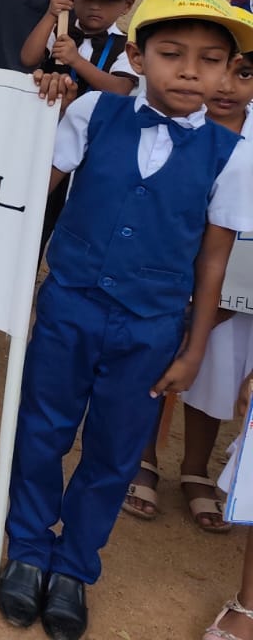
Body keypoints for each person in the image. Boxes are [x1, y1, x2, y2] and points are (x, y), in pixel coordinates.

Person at [0, 0, 253, 640]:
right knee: (42, 428)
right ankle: (29, 548)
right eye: (171, 54)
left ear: (228, 71)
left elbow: (214, 261)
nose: (190, 71)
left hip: (151, 328)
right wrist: (41, 101)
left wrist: (194, 349)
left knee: (114, 450)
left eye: (210, 60)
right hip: (69, 305)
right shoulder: (93, 111)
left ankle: (75, 566)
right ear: (137, 57)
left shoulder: (233, 155)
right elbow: (33, 194)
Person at [124, 49, 253, 535]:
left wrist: (231, 296)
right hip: (161, 278)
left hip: (235, 294)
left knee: (217, 371)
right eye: (222, 68)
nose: (226, 86)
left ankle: (196, 468)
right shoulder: (166, 121)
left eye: (245, 74)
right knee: (153, 365)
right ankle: (142, 456)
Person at [18, 0, 139, 96]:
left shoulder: (127, 46)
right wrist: (51, 13)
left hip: (95, 114)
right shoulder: (58, 30)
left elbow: (121, 89)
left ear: (127, 5)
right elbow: (28, 59)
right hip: (50, 110)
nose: (95, 6)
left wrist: (76, 60)